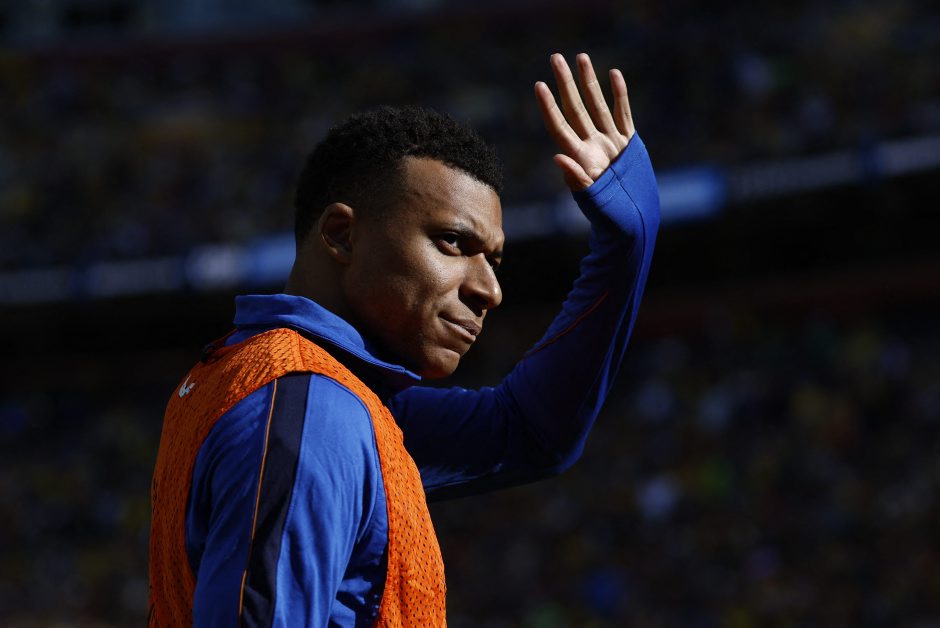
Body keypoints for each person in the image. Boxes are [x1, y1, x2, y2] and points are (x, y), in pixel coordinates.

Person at [149, 52, 660, 626]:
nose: (489, 290)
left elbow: (528, 433)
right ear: (342, 235)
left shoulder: (283, 384)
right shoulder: (308, 408)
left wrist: (626, 249)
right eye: (452, 242)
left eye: (493, 261)